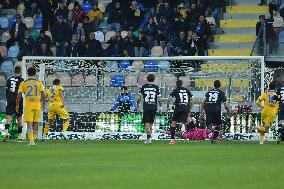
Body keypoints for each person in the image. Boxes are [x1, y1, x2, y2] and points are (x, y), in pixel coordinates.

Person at [16, 67, 46, 146]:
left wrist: (17, 105)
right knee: (35, 123)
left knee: (29, 124)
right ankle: (33, 138)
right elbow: (43, 94)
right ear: (35, 73)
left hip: (28, 106)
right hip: (37, 105)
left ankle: (31, 141)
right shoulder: (39, 82)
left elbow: (19, 95)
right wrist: (44, 103)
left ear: (27, 73)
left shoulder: (23, 83)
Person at [137, 74, 162, 144]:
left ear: (147, 79)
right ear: (154, 79)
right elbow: (159, 98)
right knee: (151, 122)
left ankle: (148, 138)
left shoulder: (143, 87)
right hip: (154, 106)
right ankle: (149, 138)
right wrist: (160, 107)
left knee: (146, 123)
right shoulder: (156, 87)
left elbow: (139, 97)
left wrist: (138, 105)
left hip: (146, 106)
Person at [167, 80, 193, 144]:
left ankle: (172, 140)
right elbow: (193, 99)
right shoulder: (187, 90)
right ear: (182, 84)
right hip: (186, 107)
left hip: (178, 107)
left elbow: (169, 98)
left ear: (176, 84)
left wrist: (168, 106)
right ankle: (189, 134)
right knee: (190, 121)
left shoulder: (175, 90)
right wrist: (190, 108)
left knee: (173, 123)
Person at [3, 66, 24, 142]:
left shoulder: (9, 79)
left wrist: (8, 98)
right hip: (18, 99)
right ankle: (20, 135)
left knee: (8, 117)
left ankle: (6, 133)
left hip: (10, 99)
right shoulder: (22, 80)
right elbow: (22, 92)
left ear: (14, 71)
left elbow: (7, 90)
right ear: (20, 71)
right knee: (19, 118)